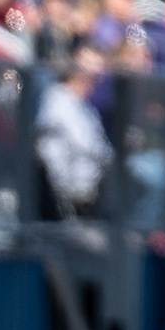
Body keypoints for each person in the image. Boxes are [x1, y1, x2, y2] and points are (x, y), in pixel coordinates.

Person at [35, 44, 112, 218]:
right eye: (91, 74)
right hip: (69, 188)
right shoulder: (58, 99)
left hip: (93, 185)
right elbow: (86, 146)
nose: (96, 79)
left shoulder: (87, 107)